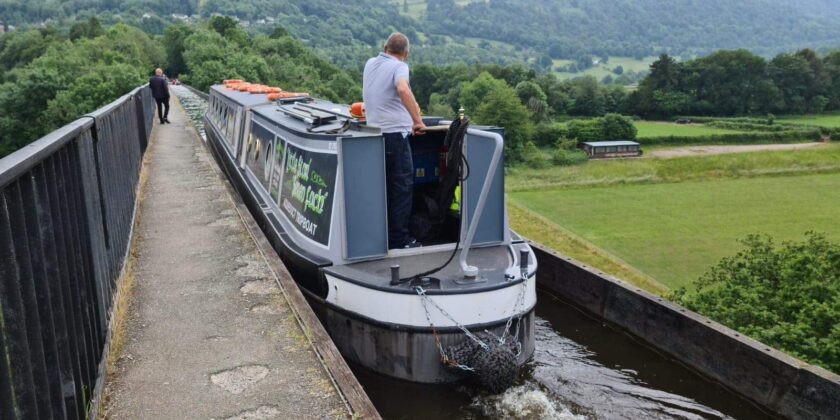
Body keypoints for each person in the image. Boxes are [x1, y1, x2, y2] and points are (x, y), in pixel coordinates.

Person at [363, 32, 426, 249]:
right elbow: (401, 88)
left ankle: (378, 235)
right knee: (401, 188)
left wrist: (412, 106)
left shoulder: (371, 63)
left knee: (381, 188)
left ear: (385, 46)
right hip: (395, 138)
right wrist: (417, 121)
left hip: (373, 135)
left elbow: (392, 92)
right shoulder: (400, 67)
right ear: (406, 54)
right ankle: (399, 240)